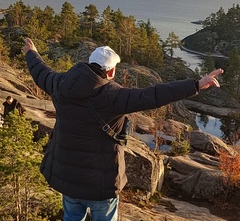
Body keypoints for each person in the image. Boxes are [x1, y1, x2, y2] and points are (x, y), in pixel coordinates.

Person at [23, 38, 223, 221]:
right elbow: (154, 95)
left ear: (90, 64)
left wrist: (32, 53)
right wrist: (196, 85)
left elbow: (41, 72)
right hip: (100, 184)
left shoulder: (60, 84)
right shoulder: (113, 96)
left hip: (67, 178)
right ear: (110, 72)